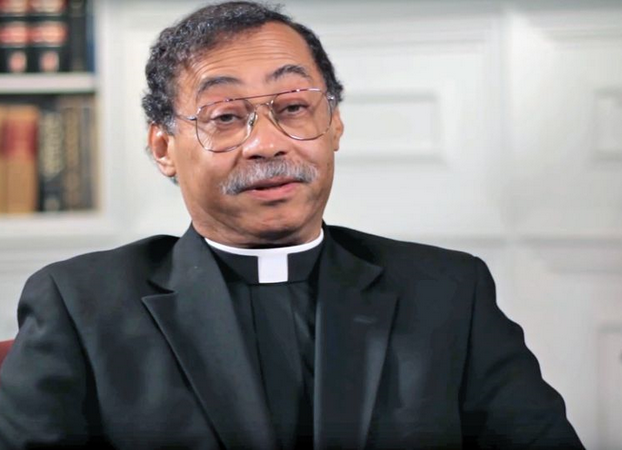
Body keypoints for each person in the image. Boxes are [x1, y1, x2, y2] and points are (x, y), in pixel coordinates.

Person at [0, 2, 584, 449]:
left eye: (294, 107)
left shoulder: (449, 291)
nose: (267, 143)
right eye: (225, 117)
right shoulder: (80, 305)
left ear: (335, 125)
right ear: (163, 148)